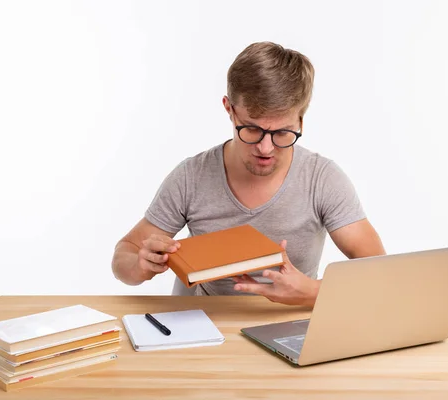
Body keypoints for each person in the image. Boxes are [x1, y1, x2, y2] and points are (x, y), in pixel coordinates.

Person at [112, 41, 385, 307]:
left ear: (301, 119)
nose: (265, 148)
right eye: (251, 129)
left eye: (282, 133)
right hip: (210, 329)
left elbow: (379, 272)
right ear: (229, 109)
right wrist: (140, 265)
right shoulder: (191, 177)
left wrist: (314, 292)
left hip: (293, 329)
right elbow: (124, 255)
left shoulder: (322, 179)